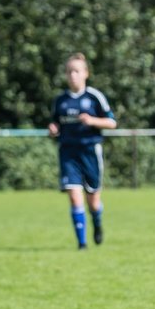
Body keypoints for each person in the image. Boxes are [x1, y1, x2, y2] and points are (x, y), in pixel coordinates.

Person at [48, 52, 116, 248]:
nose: (73, 75)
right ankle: (82, 244)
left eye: (76, 71)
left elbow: (112, 122)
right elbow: (55, 123)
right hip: (68, 153)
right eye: (69, 72)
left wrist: (92, 120)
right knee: (74, 195)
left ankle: (97, 222)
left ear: (86, 73)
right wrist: (53, 129)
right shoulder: (60, 100)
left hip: (90, 152)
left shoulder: (95, 97)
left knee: (93, 201)